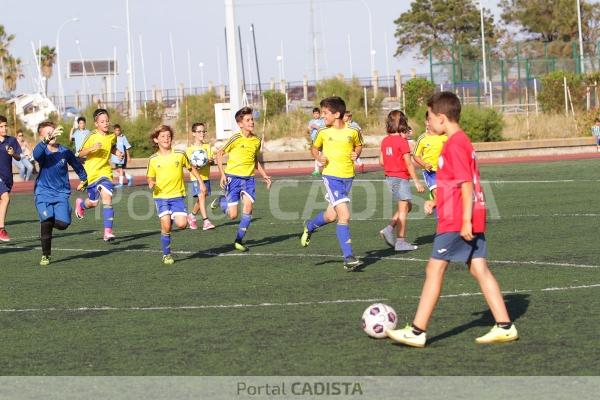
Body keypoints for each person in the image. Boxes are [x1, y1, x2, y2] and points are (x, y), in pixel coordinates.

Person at [387, 92, 518, 347]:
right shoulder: (462, 141)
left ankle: (416, 331)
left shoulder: (455, 144)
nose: (428, 123)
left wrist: (465, 220)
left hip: (457, 218)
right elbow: (456, 181)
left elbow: (466, 183)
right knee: (479, 268)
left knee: (434, 269)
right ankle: (504, 325)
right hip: (467, 212)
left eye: (431, 118)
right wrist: (437, 200)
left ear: (442, 118)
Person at [300, 96, 364, 271]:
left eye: (325, 113)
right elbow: (314, 148)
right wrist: (318, 156)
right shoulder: (322, 132)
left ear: (337, 114)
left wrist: (356, 154)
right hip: (331, 177)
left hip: (348, 177)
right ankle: (348, 257)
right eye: (321, 113)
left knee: (331, 216)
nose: (322, 116)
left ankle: (309, 226)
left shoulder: (352, 131)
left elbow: (358, 145)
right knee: (344, 216)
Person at [211, 106, 271, 252]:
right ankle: (221, 201)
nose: (251, 122)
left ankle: (238, 240)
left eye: (252, 119)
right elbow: (219, 154)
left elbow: (254, 160)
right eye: (248, 120)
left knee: (249, 208)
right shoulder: (235, 138)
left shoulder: (256, 140)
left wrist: (264, 175)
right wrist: (222, 174)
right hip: (233, 178)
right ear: (240, 124)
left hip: (249, 179)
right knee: (232, 215)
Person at [147, 125, 207, 265]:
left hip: (177, 196)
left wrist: (201, 182)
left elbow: (191, 167)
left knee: (181, 224)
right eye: (162, 136)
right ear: (156, 140)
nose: (166, 138)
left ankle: (170, 218)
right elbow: (150, 177)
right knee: (166, 227)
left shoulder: (179, 154)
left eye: (168, 136)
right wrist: (151, 183)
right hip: (161, 196)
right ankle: (166, 255)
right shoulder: (153, 159)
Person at [33, 122, 88, 266]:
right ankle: (46, 255)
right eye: (48, 133)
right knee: (46, 221)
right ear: (41, 136)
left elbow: (76, 164)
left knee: (64, 224)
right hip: (43, 192)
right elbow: (35, 154)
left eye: (53, 131)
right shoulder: (42, 151)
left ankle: (59, 215)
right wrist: (45, 141)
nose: (52, 135)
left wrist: (84, 178)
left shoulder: (64, 151)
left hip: (61, 193)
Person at [74, 109, 124, 242]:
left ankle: (108, 232)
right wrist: (91, 149)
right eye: (102, 121)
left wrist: (117, 152)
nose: (106, 123)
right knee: (93, 202)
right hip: (91, 174)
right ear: (96, 123)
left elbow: (110, 146)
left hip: (106, 173)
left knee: (107, 198)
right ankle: (81, 204)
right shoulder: (91, 136)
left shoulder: (112, 136)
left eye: (107, 120)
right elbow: (79, 153)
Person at [378, 110, 425, 251]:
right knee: (404, 209)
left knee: (407, 206)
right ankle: (400, 241)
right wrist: (416, 181)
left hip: (390, 178)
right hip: (400, 178)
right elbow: (409, 163)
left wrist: (392, 164)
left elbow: (381, 161)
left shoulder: (385, 141)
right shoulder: (402, 141)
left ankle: (389, 228)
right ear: (402, 123)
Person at [412, 111, 448, 201]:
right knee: (437, 193)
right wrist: (424, 164)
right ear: (427, 122)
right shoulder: (422, 138)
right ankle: (439, 214)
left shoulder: (445, 136)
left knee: (445, 196)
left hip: (445, 171)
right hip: (430, 172)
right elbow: (415, 156)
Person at [186, 122, 215, 231]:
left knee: (202, 198)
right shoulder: (189, 150)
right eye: (199, 131)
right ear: (193, 133)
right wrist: (196, 165)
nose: (202, 133)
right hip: (196, 178)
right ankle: (206, 221)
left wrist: (209, 161)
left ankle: (192, 216)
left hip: (206, 177)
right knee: (202, 196)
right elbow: (191, 166)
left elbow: (212, 162)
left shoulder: (207, 147)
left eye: (203, 131)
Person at [0, 115, 22, 242]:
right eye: (1, 126)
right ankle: (1, 229)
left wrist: (13, 153)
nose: (4, 128)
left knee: (3, 202)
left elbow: (18, 157)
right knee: (5, 198)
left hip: (7, 178)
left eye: (5, 126)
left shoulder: (12, 140)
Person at [307, 107, 325, 176]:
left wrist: (316, 127)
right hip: (313, 140)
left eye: (317, 113)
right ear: (312, 114)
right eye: (314, 114)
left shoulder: (322, 121)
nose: (316, 115)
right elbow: (308, 130)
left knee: (321, 153)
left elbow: (323, 129)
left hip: (320, 140)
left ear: (319, 114)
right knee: (315, 155)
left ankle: (321, 165)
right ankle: (316, 170)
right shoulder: (311, 121)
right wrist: (309, 129)